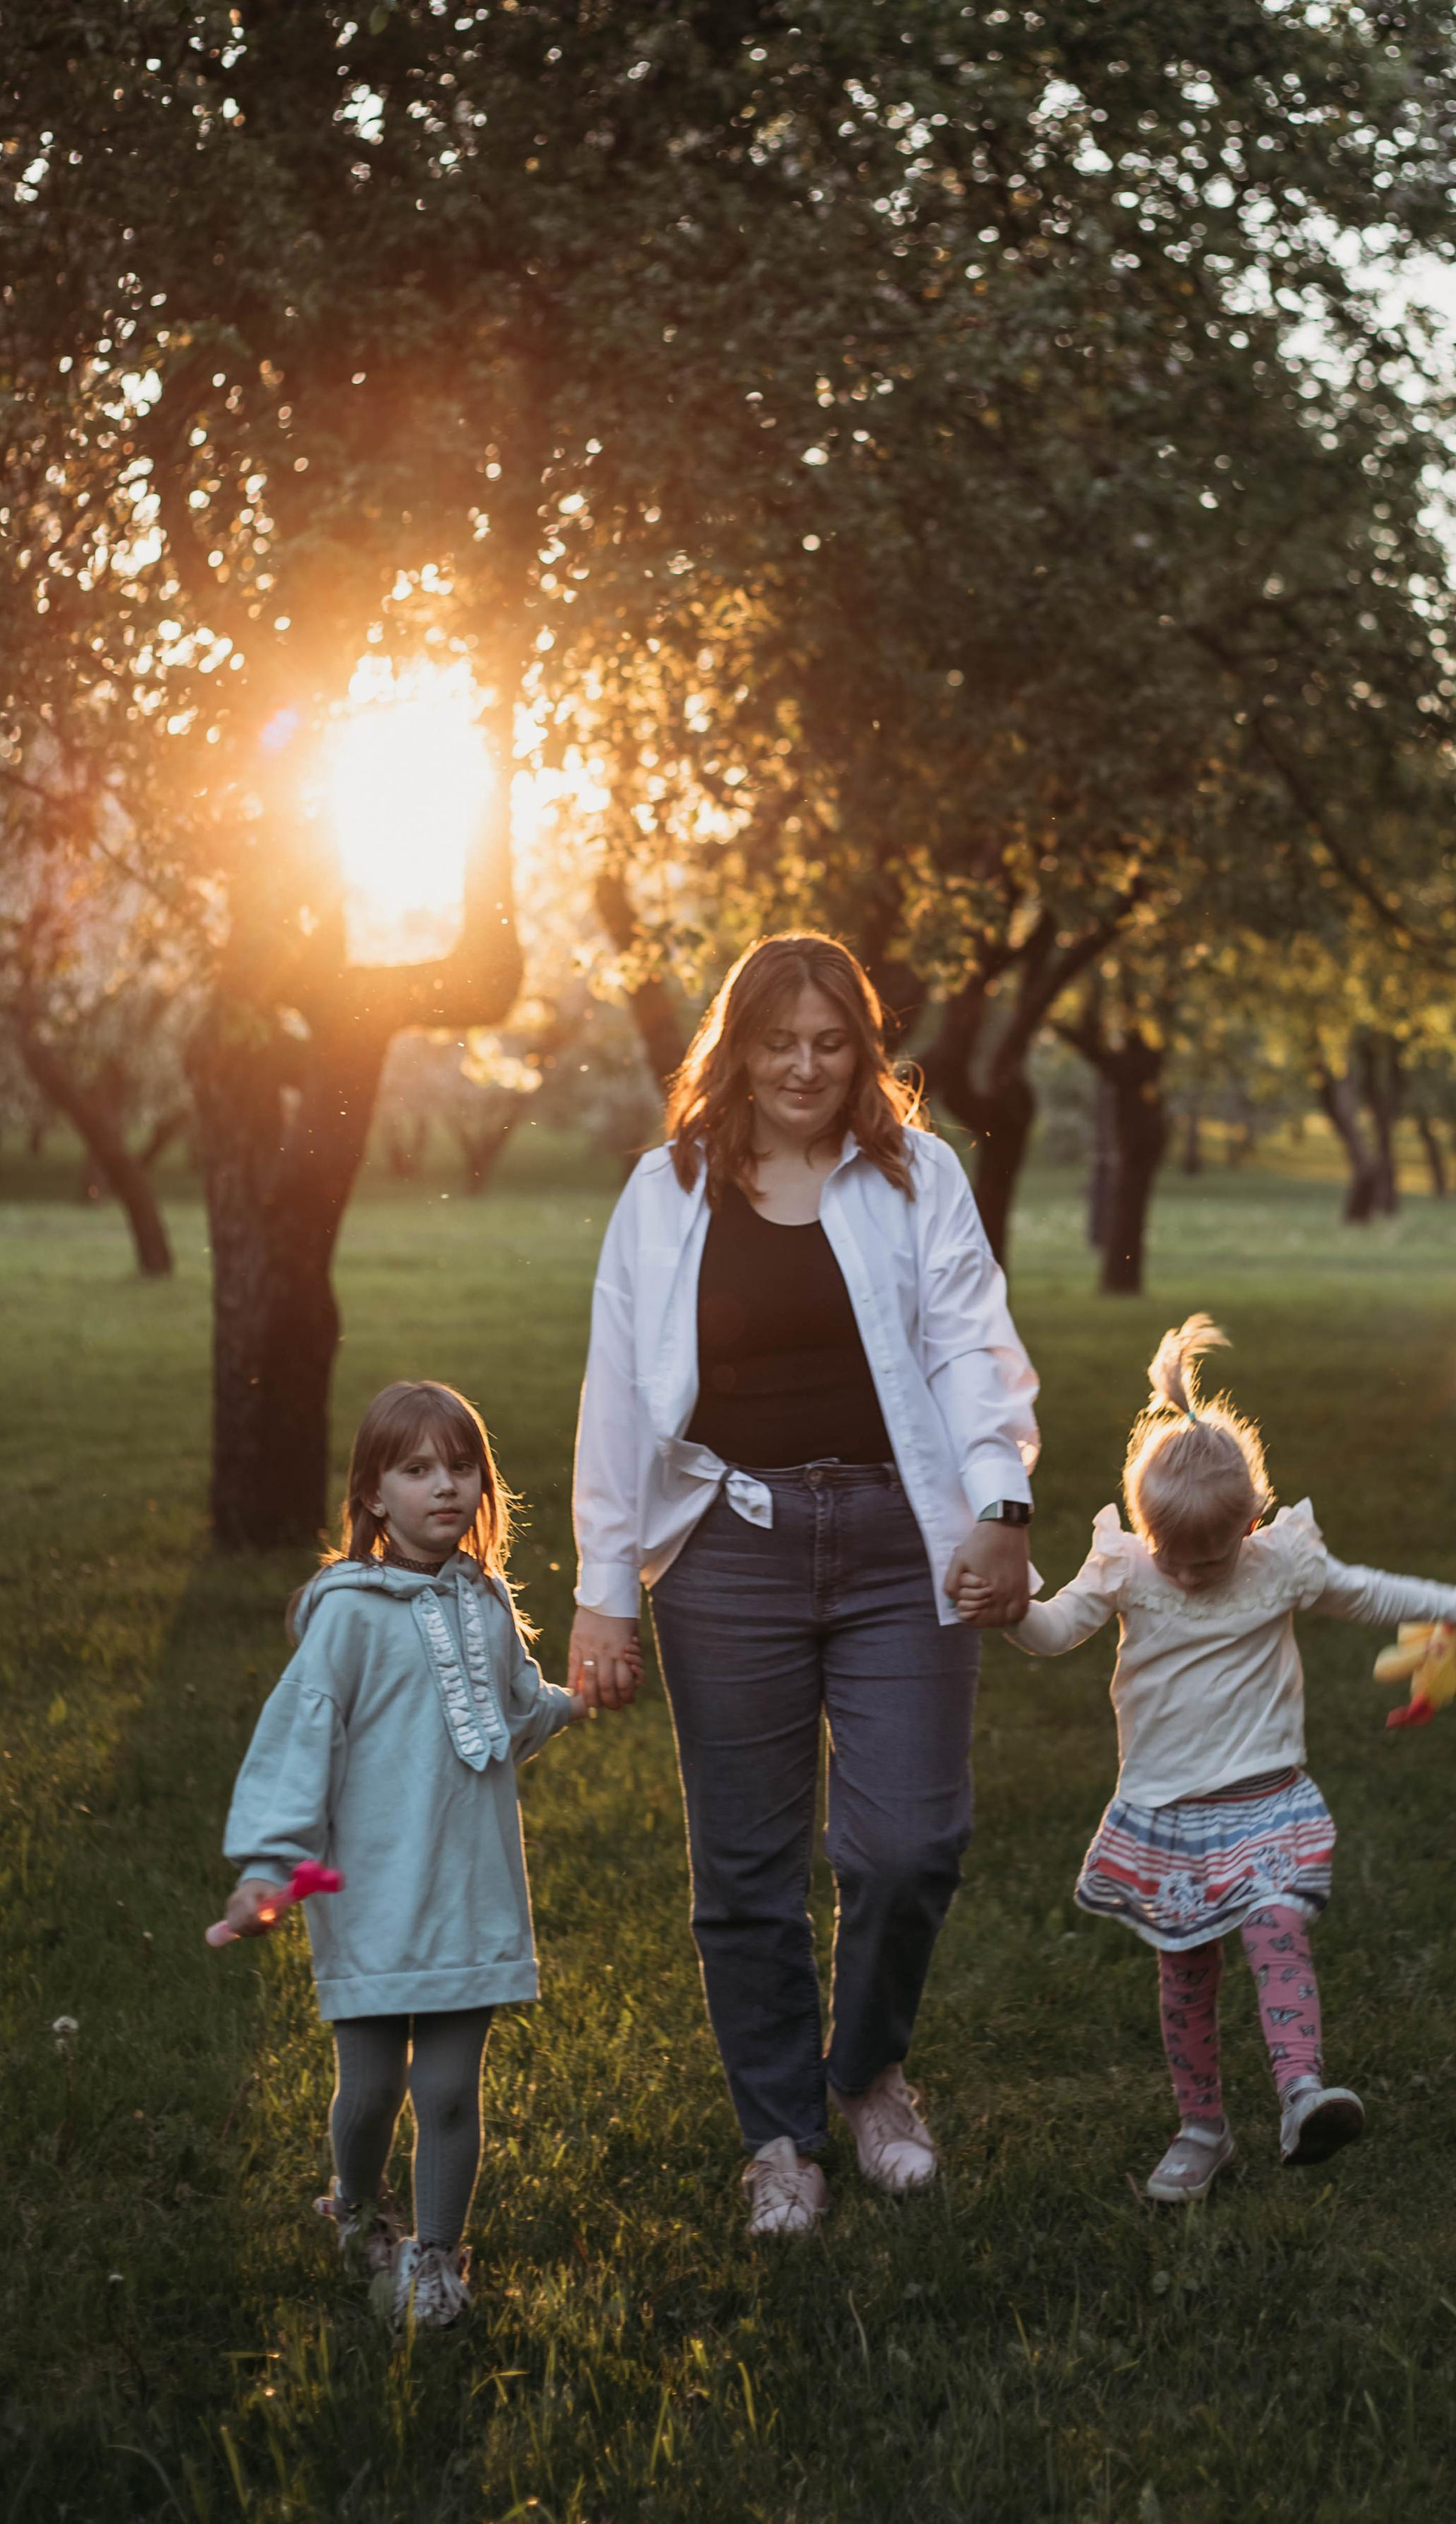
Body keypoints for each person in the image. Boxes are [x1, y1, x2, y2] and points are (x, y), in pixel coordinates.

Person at [569, 932, 1039, 2239]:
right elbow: (616, 1395)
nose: (805, 1066)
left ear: (864, 1052)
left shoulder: (917, 1176)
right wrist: (605, 1586)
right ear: (737, 1047)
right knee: (748, 1869)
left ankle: (870, 2076)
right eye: (779, 1041)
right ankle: (779, 2137)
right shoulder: (664, 1194)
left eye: (832, 1043)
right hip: (729, 1550)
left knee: (909, 1845)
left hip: (905, 1541)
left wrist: (1000, 1504)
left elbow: (971, 1345)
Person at [957, 1314, 1456, 2202]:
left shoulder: (1279, 1567)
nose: (1185, 1575)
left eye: (1208, 1556)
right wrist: (1009, 1610)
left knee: (1276, 1928)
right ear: (1144, 1526)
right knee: (1185, 1974)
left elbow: (1377, 1593)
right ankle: (1202, 2129)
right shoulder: (1124, 1571)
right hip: (1166, 1812)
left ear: (1252, 1521)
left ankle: (1302, 2094)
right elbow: (1055, 1630)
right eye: (1170, 1555)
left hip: (1265, 1800)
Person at [216, 1381, 581, 2327]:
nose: (445, 1487)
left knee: (450, 2088)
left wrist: (577, 1699)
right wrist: (267, 1865)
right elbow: (299, 1741)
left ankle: (433, 2256)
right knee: (373, 2089)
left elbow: (508, 1716)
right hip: (374, 1893)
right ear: (374, 1493)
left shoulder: (490, 1603)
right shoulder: (347, 1615)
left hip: (470, 1889)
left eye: (461, 1468)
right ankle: (358, 2212)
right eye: (417, 1470)